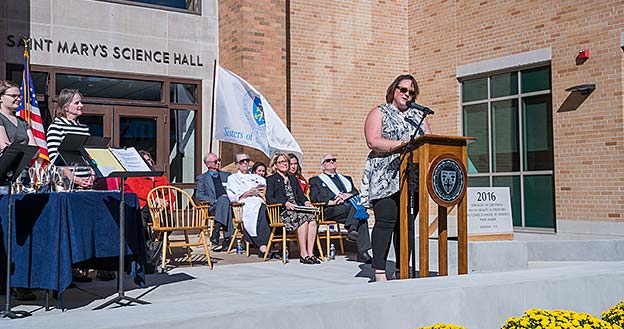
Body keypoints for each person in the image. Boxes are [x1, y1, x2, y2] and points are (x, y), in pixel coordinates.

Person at [362, 74, 431, 282]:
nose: (407, 94)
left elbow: (428, 140)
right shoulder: (379, 112)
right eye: (403, 90)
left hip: (412, 177)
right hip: (385, 174)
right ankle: (380, 271)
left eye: (411, 92)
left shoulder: (418, 115)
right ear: (394, 90)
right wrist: (401, 145)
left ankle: (402, 269)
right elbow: (373, 141)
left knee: (407, 225)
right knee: (386, 222)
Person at [309, 153, 372, 263]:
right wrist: (332, 200)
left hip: (347, 210)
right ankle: (353, 229)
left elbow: (356, 192)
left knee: (361, 216)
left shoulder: (346, 178)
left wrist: (348, 195)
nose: (332, 162)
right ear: (322, 166)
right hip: (330, 210)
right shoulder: (316, 180)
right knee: (359, 212)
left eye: (333, 159)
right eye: (328, 160)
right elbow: (314, 198)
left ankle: (361, 250)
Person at [266, 153, 320, 264]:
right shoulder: (271, 179)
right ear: (275, 165)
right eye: (281, 162)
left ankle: (310, 253)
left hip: (297, 209)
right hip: (283, 212)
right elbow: (269, 199)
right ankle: (303, 254)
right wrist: (284, 203)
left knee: (313, 220)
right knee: (304, 220)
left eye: (286, 161)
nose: (284, 164)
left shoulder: (293, 179)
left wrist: (307, 202)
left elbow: (301, 195)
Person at [226, 153, 276, 258]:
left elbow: (267, 186)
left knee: (269, 210)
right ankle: (263, 245)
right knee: (261, 211)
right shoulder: (233, 178)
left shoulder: (255, 177)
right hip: (244, 205)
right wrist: (249, 192)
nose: (245, 163)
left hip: (260, 201)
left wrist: (263, 191)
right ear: (236, 165)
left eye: (247, 160)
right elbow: (233, 197)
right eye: (241, 161)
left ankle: (271, 243)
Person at [46, 88, 93, 189]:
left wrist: (92, 177)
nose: (81, 105)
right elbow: (55, 159)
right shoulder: (57, 126)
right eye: (77, 103)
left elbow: (89, 156)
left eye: (81, 102)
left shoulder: (84, 128)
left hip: (87, 185)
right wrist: (74, 179)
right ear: (66, 107)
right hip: (66, 185)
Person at [195, 152, 233, 251]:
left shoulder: (227, 175)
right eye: (215, 161)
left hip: (229, 205)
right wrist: (215, 201)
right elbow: (199, 195)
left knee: (225, 202)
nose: (218, 163)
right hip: (213, 206)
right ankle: (227, 238)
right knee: (223, 200)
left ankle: (216, 230)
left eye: (218, 161)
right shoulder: (202, 178)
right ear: (208, 164)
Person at [0, 80, 37, 150]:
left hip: (24, 160)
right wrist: (27, 150)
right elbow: (4, 147)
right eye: (14, 96)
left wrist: (15, 148)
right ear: (0, 98)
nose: (19, 99)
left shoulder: (23, 122)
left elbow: (35, 151)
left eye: (20, 96)